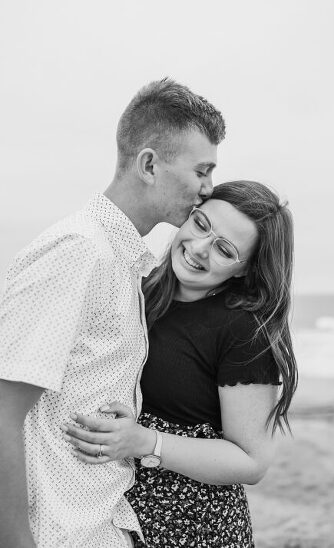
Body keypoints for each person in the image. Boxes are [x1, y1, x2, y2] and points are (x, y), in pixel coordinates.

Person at [0, 78, 225, 548]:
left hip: (101, 527)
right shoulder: (80, 252)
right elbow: (3, 409)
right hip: (58, 536)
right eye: (201, 170)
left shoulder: (122, 261)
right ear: (149, 164)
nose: (208, 188)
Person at [62, 180, 298, 547]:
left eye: (224, 249)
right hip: (111, 516)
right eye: (201, 224)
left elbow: (252, 462)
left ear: (244, 270)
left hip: (196, 529)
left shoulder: (242, 329)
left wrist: (145, 441)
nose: (200, 248)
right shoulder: (138, 290)